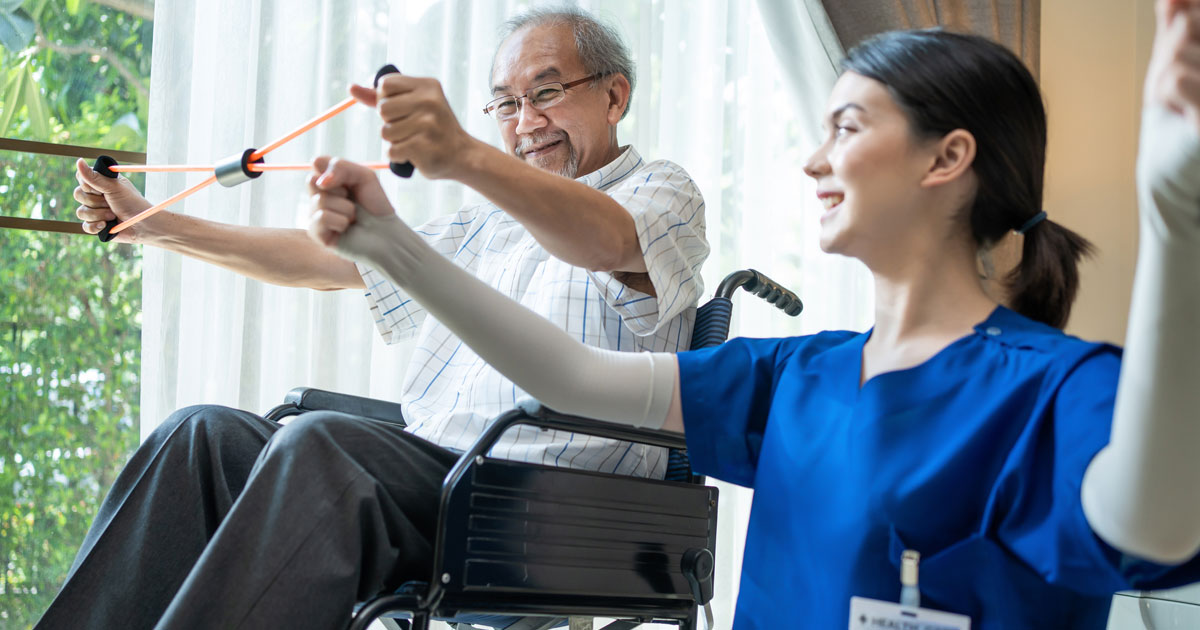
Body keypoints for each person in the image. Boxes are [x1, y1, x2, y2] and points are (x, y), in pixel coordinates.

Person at [304, 3, 1200, 629]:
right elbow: (573, 378)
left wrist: (1176, 213)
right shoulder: (798, 376)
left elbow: (1155, 528)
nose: (814, 161)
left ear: (947, 159)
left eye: (847, 128)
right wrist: (392, 251)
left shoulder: (1055, 389)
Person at [37, 7, 708, 630]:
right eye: (504, 103)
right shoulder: (484, 224)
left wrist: (466, 158)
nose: (524, 121)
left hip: (557, 507)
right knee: (200, 436)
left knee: (320, 445)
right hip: (440, 478)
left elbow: (605, 241)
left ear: (614, 96)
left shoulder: (661, 192)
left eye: (547, 92)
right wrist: (153, 224)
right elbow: (326, 261)